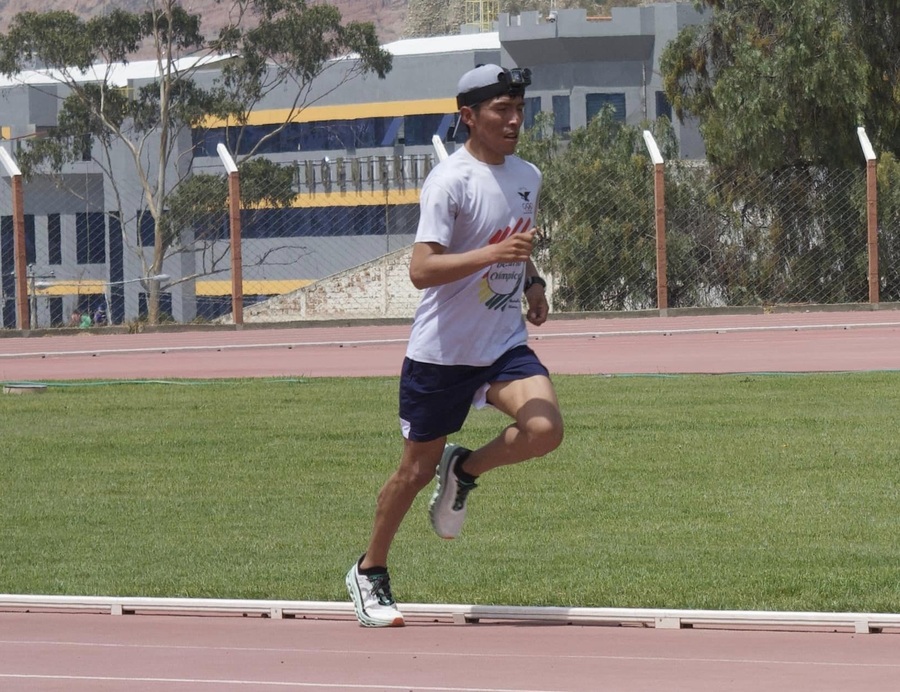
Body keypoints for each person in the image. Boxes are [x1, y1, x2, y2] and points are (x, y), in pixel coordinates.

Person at [345, 64, 564, 627]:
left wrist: (532, 281)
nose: (515, 120)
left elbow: (514, 241)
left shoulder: (528, 176)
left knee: (544, 429)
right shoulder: (450, 181)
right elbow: (422, 269)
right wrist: (493, 257)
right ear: (469, 116)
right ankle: (369, 571)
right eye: (501, 110)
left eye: (519, 108)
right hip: (442, 353)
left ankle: (464, 471)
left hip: (502, 343)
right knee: (413, 472)